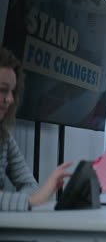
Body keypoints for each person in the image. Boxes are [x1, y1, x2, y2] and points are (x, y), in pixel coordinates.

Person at [0, 48, 72, 211]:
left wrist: (32, 198)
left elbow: (29, 184)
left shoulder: (4, 136)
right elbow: (35, 197)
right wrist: (31, 200)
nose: (10, 99)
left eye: (13, 91)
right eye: (3, 90)